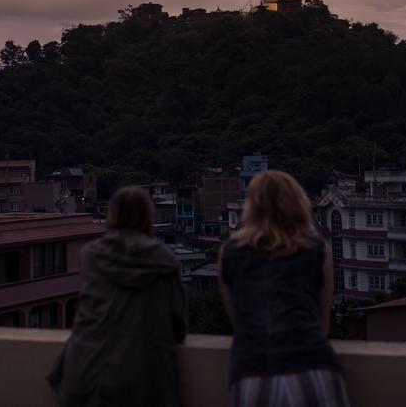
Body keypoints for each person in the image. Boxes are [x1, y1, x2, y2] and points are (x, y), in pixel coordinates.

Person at [219, 171, 349, 407]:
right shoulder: (318, 249)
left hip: (252, 371)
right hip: (311, 366)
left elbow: (239, 323)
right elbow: (323, 324)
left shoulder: (229, 252)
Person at [49, 185, 187, 407]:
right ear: (148, 215)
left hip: (84, 371)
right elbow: (178, 327)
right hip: (142, 379)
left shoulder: (91, 256)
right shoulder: (164, 261)